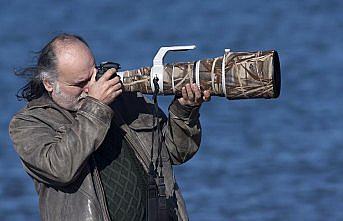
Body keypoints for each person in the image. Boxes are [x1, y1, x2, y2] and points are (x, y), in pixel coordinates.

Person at [9, 33, 210, 221]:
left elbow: (175, 152)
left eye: (93, 75)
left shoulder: (125, 99)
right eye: (80, 83)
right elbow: (60, 169)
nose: (92, 87)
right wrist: (96, 107)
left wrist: (185, 110)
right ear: (49, 83)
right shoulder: (28, 124)